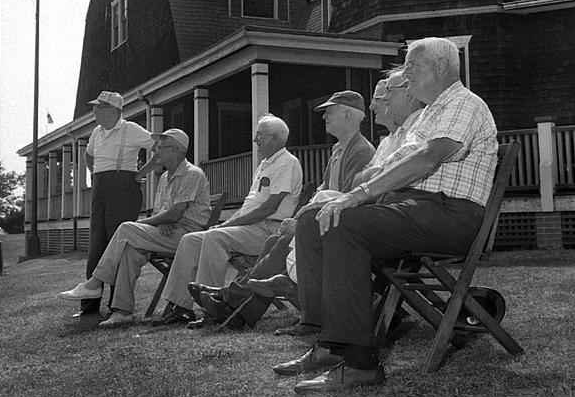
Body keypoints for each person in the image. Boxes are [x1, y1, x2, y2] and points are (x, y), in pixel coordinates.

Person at [274, 37, 498, 394]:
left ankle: (361, 362)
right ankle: (330, 343)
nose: (406, 75)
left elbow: (427, 159)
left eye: (413, 66)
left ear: (440, 69)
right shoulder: (427, 115)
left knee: (345, 224)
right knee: (314, 220)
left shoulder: (463, 103)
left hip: (451, 214)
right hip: (414, 206)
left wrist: (358, 196)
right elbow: (389, 166)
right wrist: (349, 196)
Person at [194, 91, 375, 330]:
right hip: (325, 220)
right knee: (273, 242)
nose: (324, 118)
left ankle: (231, 298)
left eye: (329, 112)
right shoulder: (338, 151)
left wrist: (300, 219)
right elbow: (323, 189)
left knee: (279, 244)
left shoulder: (361, 151)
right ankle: (240, 312)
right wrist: (300, 216)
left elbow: (349, 199)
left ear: (347, 115)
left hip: (342, 225)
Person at [152, 114, 302, 327]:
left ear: (275, 138)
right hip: (250, 227)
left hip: (269, 229)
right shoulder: (264, 165)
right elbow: (249, 206)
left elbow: (269, 208)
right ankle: (181, 308)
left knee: (215, 238)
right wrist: (226, 223)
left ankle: (211, 309)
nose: (255, 139)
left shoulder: (287, 163)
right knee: (191, 240)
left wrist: (228, 226)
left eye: (260, 134)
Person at [58, 128, 210, 327]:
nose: (156, 152)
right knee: (130, 249)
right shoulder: (164, 178)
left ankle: (94, 283)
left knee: (127, 229)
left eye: (161, 148)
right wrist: (160, 221)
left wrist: (147, 223)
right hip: (169, 233)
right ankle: (123, 311)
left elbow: (175, 213)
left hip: (187, 235)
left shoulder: (192, 174)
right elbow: (164, 213)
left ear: (176, 151)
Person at [73, 91, 157, 318]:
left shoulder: (130, 129)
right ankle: (89, 307)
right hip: (100, 190)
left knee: (117, 245)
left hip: (124, 190)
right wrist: (96, 172)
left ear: (113, 111)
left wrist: (141, 173)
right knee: (97, 245)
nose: (94, 111)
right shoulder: (96, 133)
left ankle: (116, 305)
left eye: (98, 108)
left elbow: (160, 147)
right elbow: (88, 155)